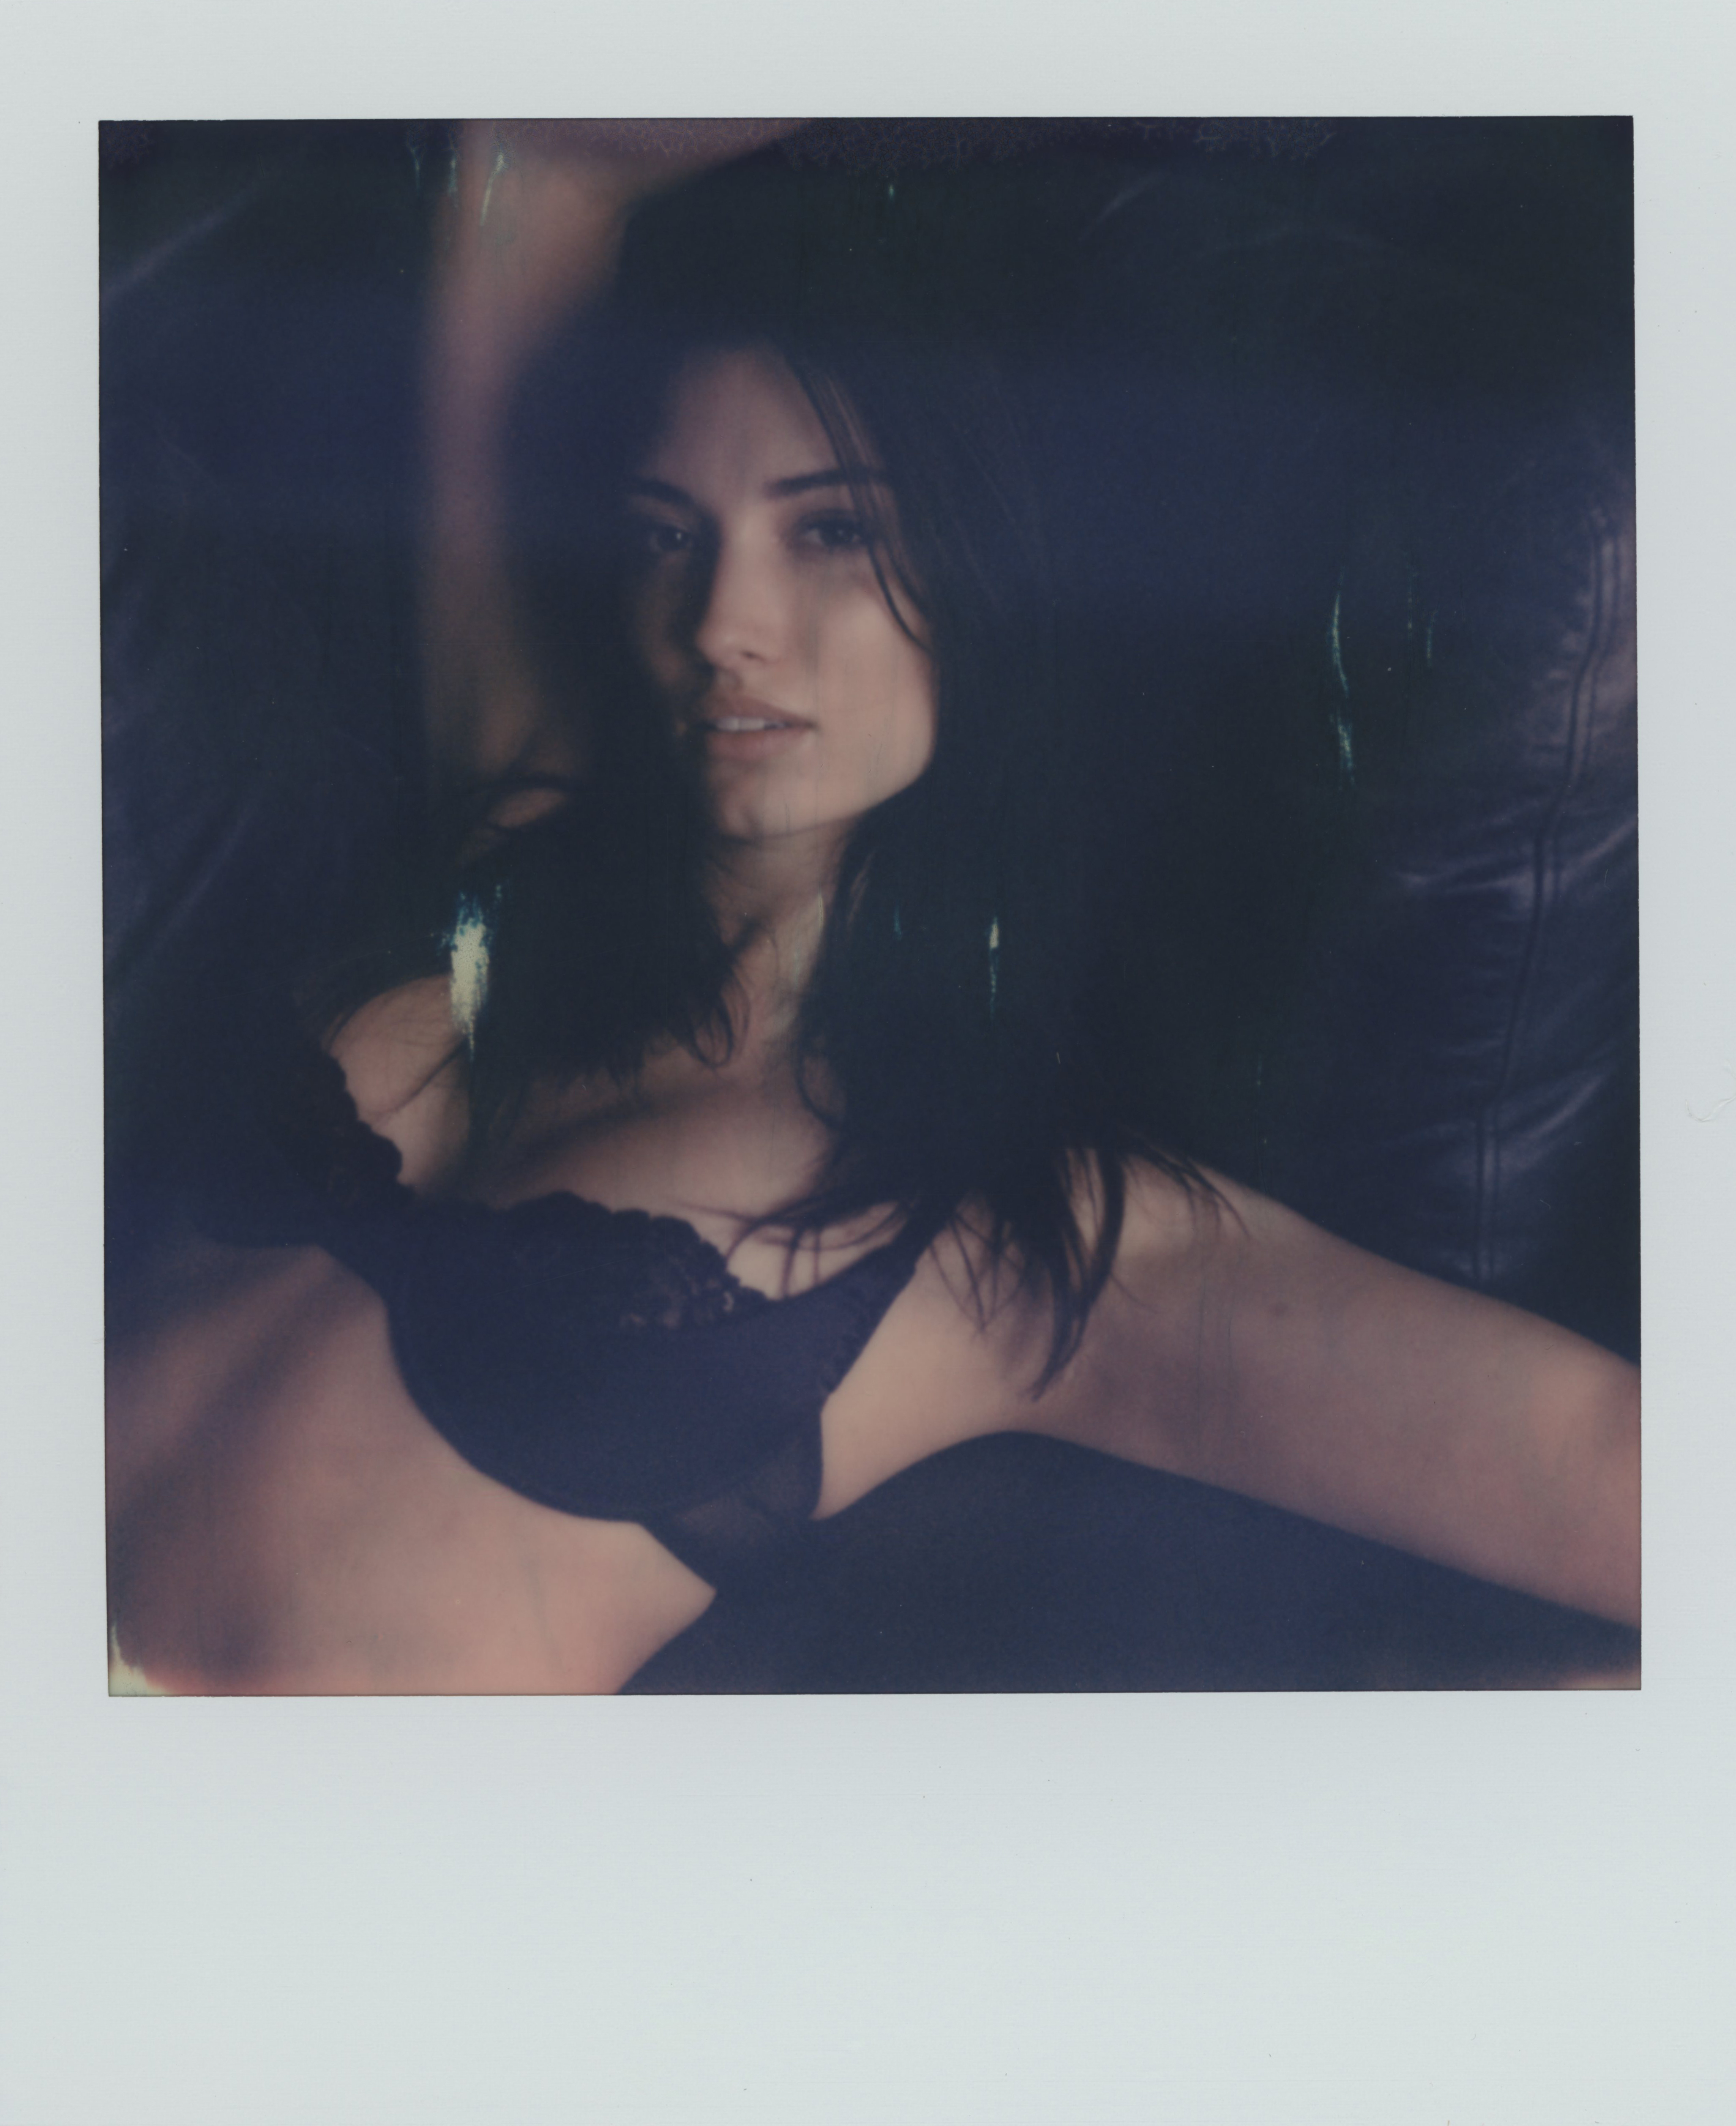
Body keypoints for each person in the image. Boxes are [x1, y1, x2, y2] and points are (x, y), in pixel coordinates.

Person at [105, 129, 1639, 1694]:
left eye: (831, 530)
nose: (723, 623)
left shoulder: (1026, 1241)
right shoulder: (518, 836)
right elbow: (529, 165)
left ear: (976, 593)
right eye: (663, 534)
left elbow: (1620, 1479)